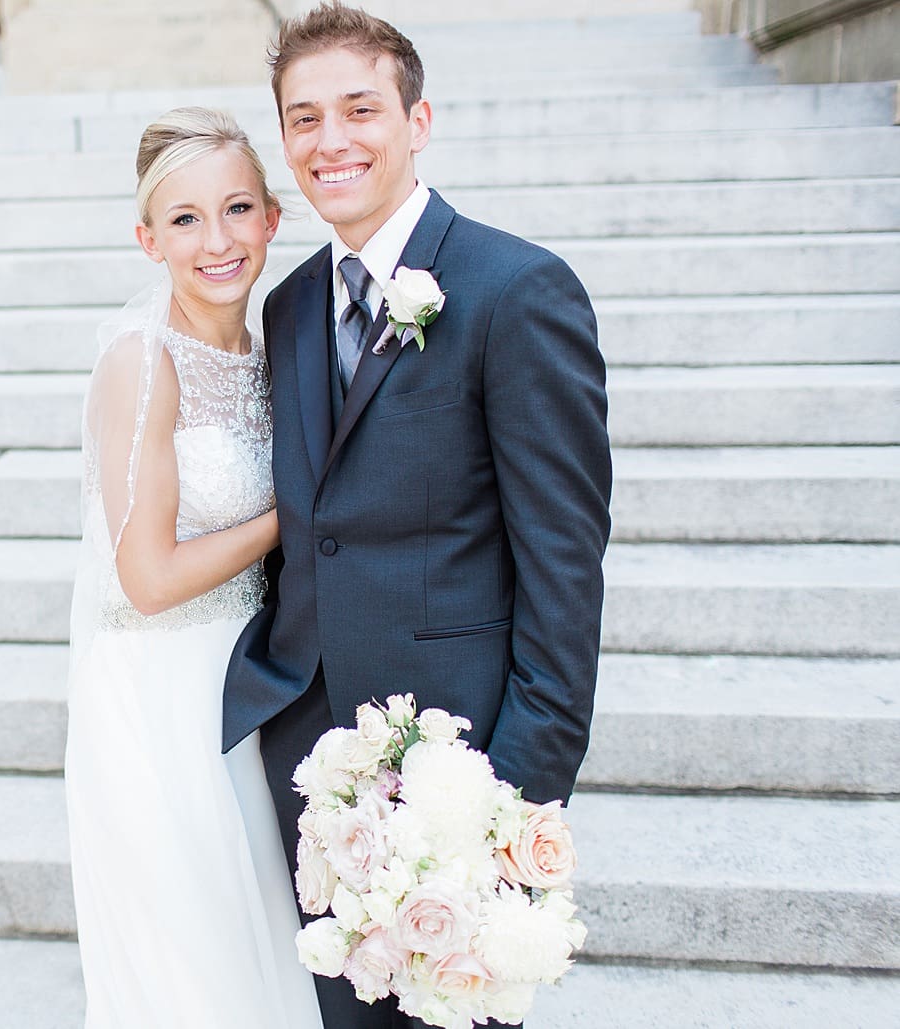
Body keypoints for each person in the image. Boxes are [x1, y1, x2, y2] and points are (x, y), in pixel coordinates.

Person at [223, 4, 613, 1028]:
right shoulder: (290, 303)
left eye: (359, 109)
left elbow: (564, 572)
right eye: (302, 119)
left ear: (417, 119)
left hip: (458, 766)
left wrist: (513, 797)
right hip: (311, 765)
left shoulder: (515, 290)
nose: (330, 141)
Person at [64, 106, 325, 1028]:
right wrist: (294, 515)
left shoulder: (272, 350)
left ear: (271, 219)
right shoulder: (142, 363)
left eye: (236, 209)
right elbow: (148, 577)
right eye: (184, 219)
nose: (217, 241)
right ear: (147, 238)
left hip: (249, 687)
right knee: (194, 966)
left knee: (255, 947)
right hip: (160, 692)